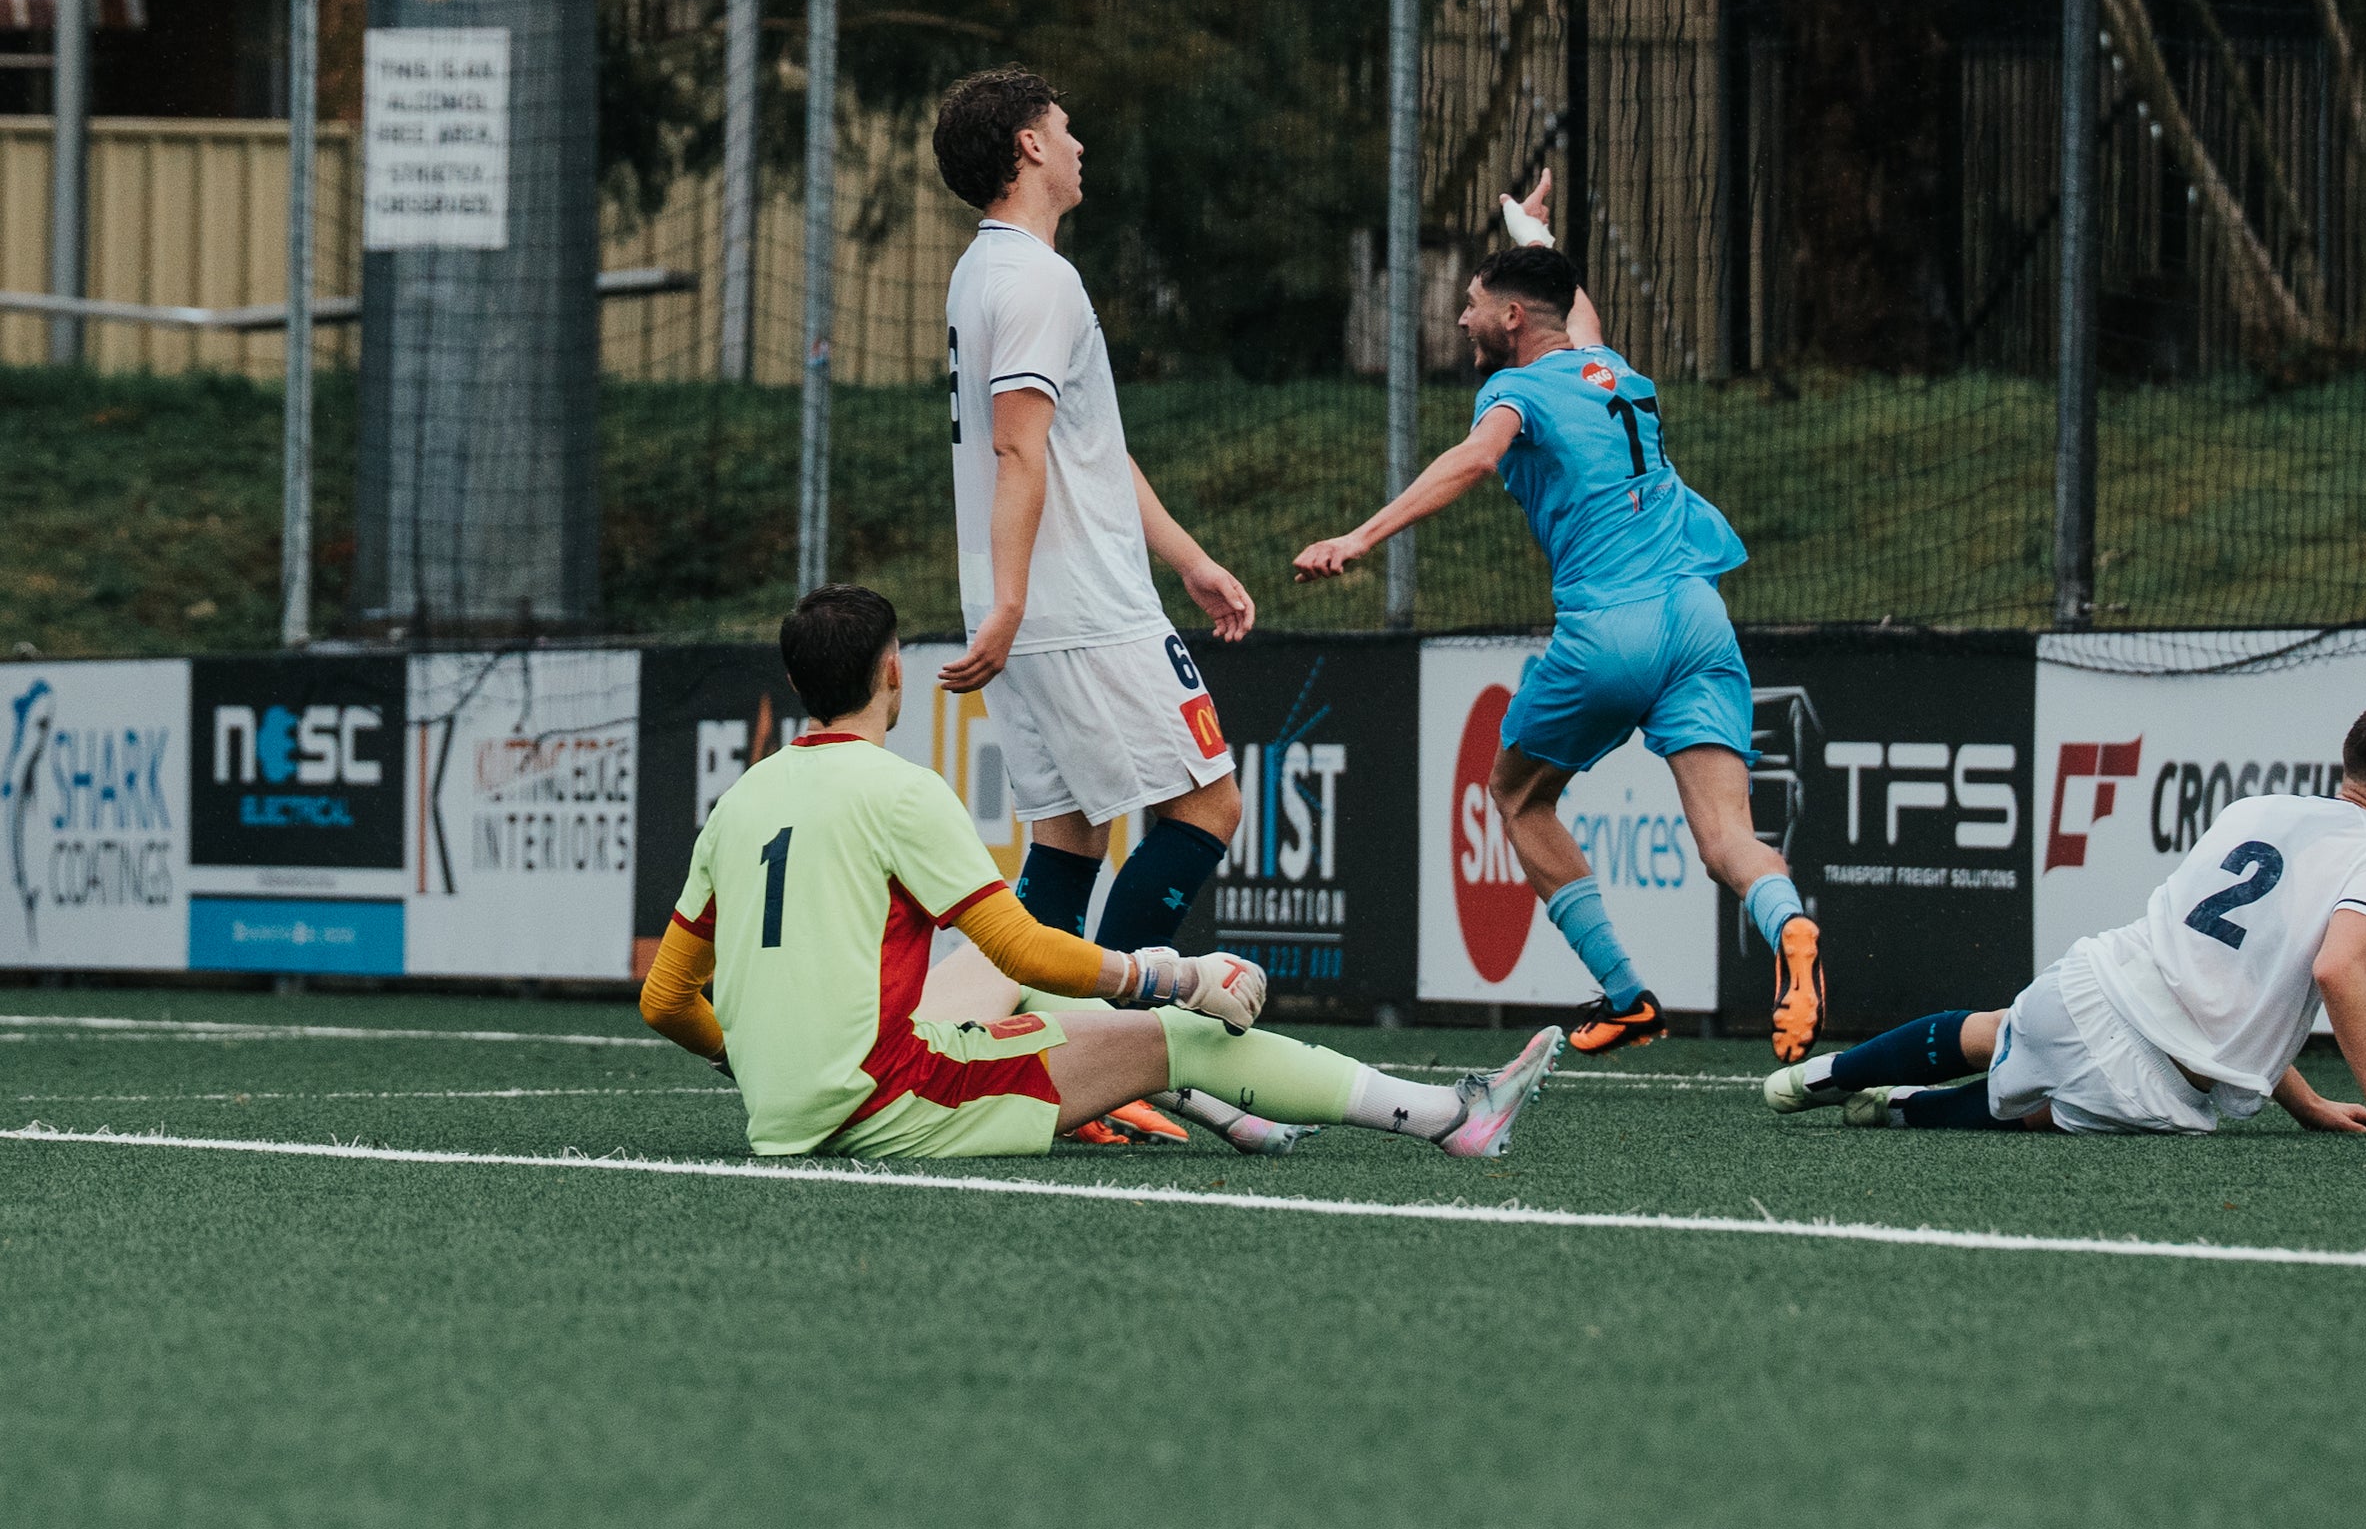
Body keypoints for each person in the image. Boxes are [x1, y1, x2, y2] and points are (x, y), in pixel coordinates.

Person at [637, 584, 1558, 1163]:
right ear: (893, 676)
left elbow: (666, 1000)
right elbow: (1029, 947)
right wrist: (1178, 974)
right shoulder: (902, 793)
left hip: (788, 1105)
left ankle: (1226, 1112)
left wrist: (752, 1058)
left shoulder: (741, 798)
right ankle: (1450, 1116)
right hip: (888, 1102)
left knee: (1008, 986)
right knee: (1173, 1029)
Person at [1293, 173, 1824, 1063]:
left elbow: (1469, 461)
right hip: (1697, 617)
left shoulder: (1516, 396)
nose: (1460, 320)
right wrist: (1525, 230)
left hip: (1608, 632)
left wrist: (1360, 535)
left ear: (1509, 320)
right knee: (1729, 838)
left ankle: (1626, 994)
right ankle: (1793, 930)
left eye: (1470, 305)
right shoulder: (1608, 368)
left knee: (1516, 792)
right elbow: (1576, 312)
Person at [934, 67, 1259, 1143]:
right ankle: (1118, 1062)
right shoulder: (1037, 281)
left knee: (1067, 840)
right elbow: (1022, 448)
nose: (1081, 146)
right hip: (1075, 611)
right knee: (1209, 804)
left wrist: (1189, 558)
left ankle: (1030, 1068)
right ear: (1028, 147)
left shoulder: (986, 276)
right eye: (1066, 129)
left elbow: (1084, 451)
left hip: (1037, 607)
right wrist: (1023, 600)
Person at [1758, 698, 2366, 1145]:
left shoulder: (2255, 810)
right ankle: (1901, 1111)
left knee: (1997, 1028)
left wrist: (2305, 1103)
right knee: (2032, 1115)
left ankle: (1825, 1073)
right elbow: (2335, 971)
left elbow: (2222, 983)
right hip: (2147, 1078)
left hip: (2084, 984)